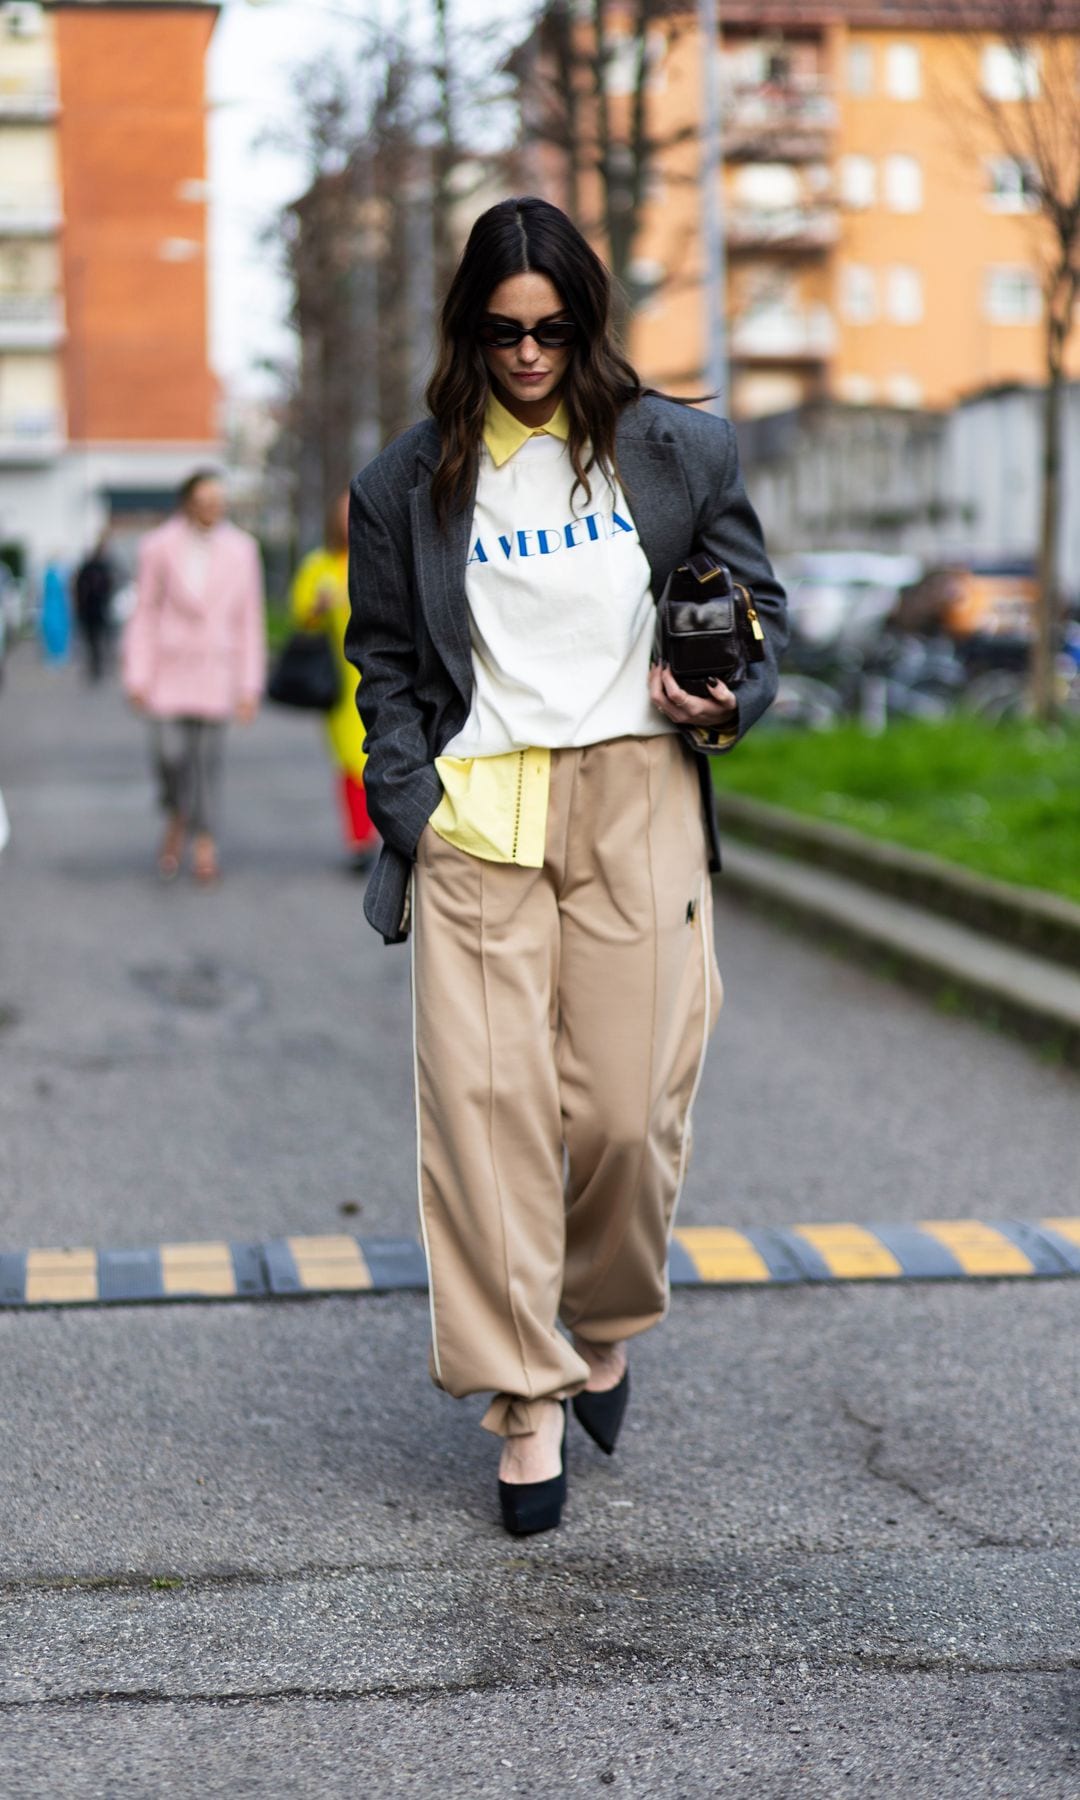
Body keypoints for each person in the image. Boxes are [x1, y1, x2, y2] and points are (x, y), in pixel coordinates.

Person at [346, 197, 787, 1536]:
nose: (527, 354)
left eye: (550, 330)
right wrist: (409, 803)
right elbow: (387, 667)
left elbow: (761, 617)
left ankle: (602, 1317)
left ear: (587, 323)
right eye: (501, 332)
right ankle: (524, 1401)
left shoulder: (678, 451)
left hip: (637, 791)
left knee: (625, 1114)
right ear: (468, 331)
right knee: (483, 1120)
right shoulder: (406, 482)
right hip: (481, 814)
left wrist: (726, 699)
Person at [122, 469, 266, 884]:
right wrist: (138, 673)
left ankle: (204, 840)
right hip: (170, 668)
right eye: (203, 501)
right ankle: (176, 814)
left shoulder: (242, 549)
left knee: (207, 762)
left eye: (217, 501)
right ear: (187, 502)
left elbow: (249, 619)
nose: (211, 509)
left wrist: (249, 685)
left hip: (216, 669)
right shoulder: (157, 547)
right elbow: (145, 611)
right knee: (168, 756)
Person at [290, 490, 379, 868]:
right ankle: (360, 839)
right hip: (341, 683)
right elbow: (300, 617)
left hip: (380, 673)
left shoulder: (377, 556)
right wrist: (318, 608)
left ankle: (384, 830)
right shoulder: (320, 565)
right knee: (350, 762)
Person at [73, 535, 116, 683]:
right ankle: (95, 664)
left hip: (93, 611)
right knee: (94, 640)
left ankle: (96, 664)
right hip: (93, 611)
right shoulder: (98, 569)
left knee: (95, 640)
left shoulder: (93, 569)